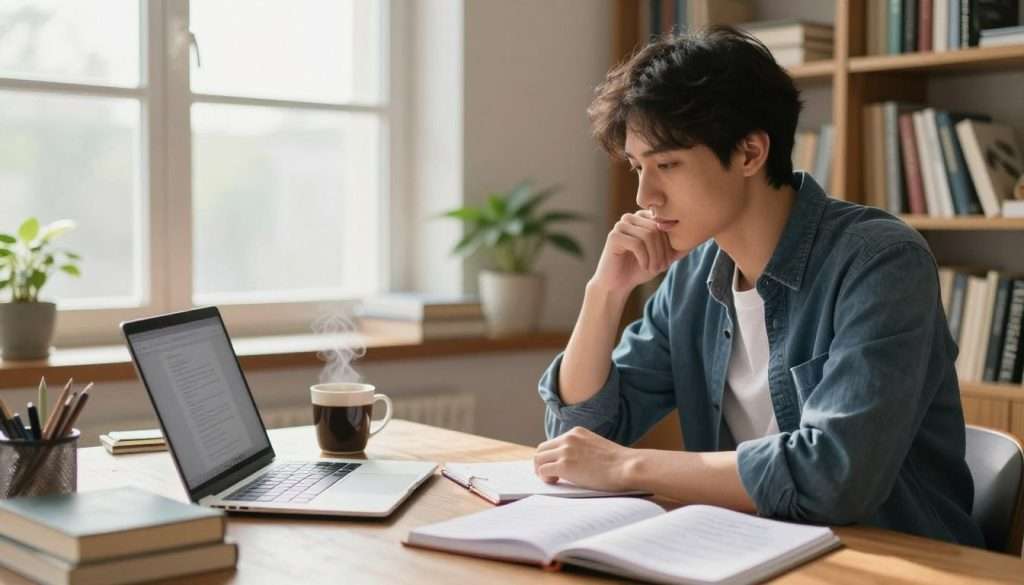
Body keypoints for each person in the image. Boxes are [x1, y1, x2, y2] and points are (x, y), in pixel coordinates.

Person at [534, 26, 984, 547]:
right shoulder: (692, 278)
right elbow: (581, 436)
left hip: (890, 560)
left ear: (750, 153)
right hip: (751, 549)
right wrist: (604, 293)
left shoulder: (880, 261)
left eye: (667, 164)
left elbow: (835, 476)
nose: (644, 195)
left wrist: (631, 467)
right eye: (638, 167)